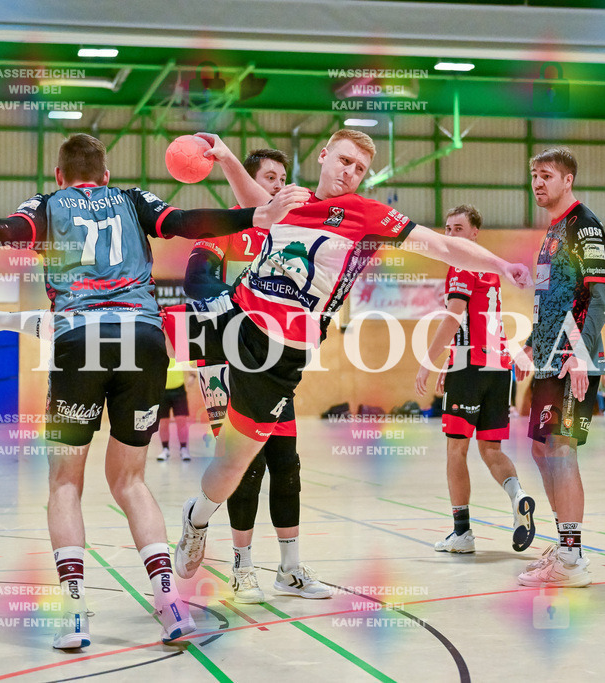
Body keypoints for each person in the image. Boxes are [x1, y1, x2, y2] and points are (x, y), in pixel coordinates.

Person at [0, 133, 306, 648]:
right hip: (143, 338)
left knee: (65, 482)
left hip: (79, 338)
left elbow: (2, 231)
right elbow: (185, 224)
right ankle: (170, 605)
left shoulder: (47, 206)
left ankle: (74, 612)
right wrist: (256, 217)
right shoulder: (135, 199)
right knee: (131, 482)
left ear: (59, 176)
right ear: (107, 174)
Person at [167, 129, 533, 582]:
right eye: (343, 161)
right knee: (143, 333)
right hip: (236, 312)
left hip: (282, 354)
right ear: (323, 156)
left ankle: (196, 518)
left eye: (359, 168)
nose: (349, 172)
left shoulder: (367, 216)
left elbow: (441, 246)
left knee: (235, 461)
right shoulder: (294, 199)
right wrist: (224, 157)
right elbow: (259, 209)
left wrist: (500, 264)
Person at [185, 149, 331, 602]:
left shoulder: (294, 231)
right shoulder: (225, 225)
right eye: (270, 177)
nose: (278, 185)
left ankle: (289, 569)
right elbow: (196, 279)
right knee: (242, 463)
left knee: (286, 462)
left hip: (270, 359)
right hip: (220, 350)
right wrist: (240, 305)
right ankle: (241, 566)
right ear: (246, 182)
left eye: (283, 177)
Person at [514, 146, 605, 588]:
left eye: (547, 175)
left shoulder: (583, 225)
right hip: (549, 360)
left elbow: (600, 296)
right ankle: (563, 544)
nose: (538, 182)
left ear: (567, 179)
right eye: (534, 175)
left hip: (574, 361)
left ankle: (572, 558)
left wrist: (579, 352)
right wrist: (531, 346)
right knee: (541, 449)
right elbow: (554, 302)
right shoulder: (553, 231)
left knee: (560, 449)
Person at [414, 203, 536, 556]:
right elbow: (486, 326)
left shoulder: (462, 265)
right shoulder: (490, 271)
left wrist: (428, 361)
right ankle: (518, 495)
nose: (450, 235)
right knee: (491, 450)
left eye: (457, 229)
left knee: (456, 448)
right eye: (447, 229)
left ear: (474, 233)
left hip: (470, 371)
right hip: (497, 371)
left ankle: (462, 532)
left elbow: (454, 319)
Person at [156, 358, 192, 461]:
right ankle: (165, 449)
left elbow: (190, 362)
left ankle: (184, 449)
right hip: (162, 390)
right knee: (163, 422)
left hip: (179, 390)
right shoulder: (160, 347)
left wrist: (192, 375)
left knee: (181, 421)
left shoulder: (179, 350)